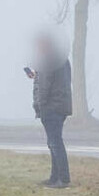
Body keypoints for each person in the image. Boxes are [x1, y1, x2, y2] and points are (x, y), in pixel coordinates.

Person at [27, 36, 72, 188]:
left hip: (51, 107)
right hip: (61, 106)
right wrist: (37, 75)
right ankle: (55, 177)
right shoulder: (62, 60)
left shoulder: (48, 60)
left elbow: (45, 86)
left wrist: (40, 105)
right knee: (54, 142)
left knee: (55, 143)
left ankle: (63, 179)